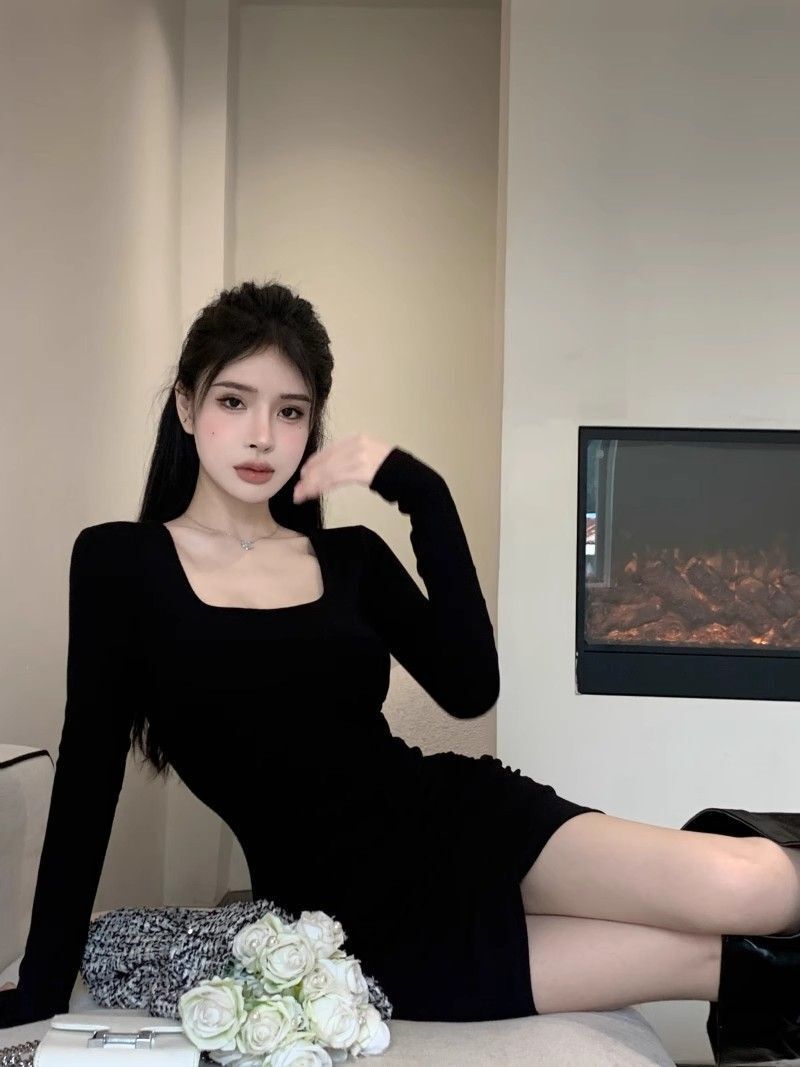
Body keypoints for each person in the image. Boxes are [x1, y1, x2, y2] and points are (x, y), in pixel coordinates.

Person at [1, 280, 799, 1067]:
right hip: (357, 930)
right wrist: (38, 992)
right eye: (234, 401)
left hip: (463, 822)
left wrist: (422, 490)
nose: (262, 436)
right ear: (185, 405)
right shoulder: (119, 563)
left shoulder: (350, 558)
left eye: (291, 411)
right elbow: (85, 788)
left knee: (756, 886)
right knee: (705, 958)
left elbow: (470, 686)